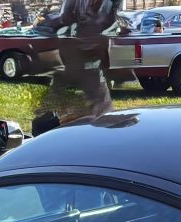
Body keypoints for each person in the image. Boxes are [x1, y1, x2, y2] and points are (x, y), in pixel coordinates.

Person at [33, 0, 120, 130]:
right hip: (75, 58)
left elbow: (110, 27)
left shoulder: (107, 5)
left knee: (102, 109)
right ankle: (45, 127)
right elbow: (65, 20)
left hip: (90, 64)